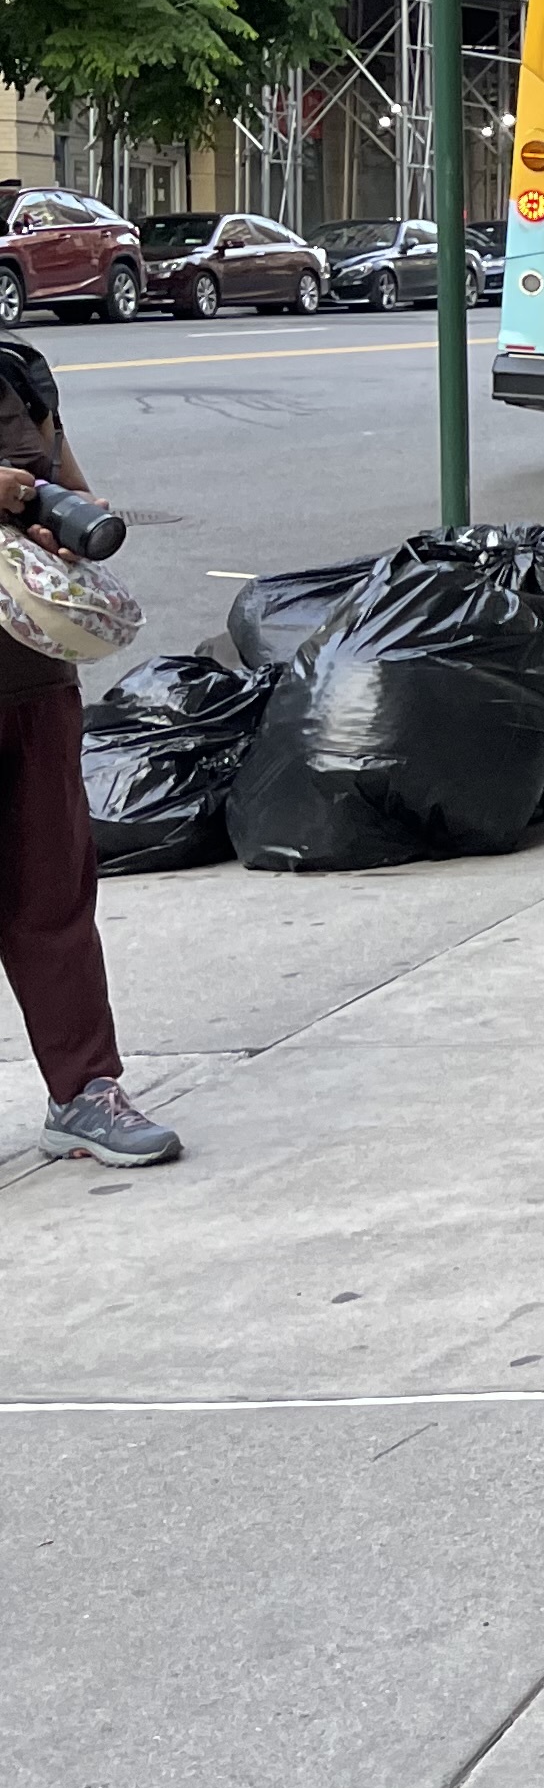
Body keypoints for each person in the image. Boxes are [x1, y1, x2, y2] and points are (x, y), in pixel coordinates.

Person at [3, 338, 172, 1168]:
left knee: (54, 896)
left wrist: (61, 517)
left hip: (31, 682)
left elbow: (75, 491)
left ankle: (85, 1092)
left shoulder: (15, 372)